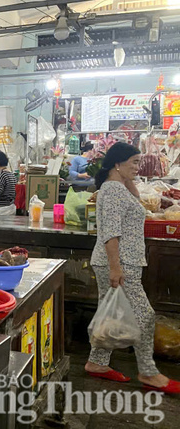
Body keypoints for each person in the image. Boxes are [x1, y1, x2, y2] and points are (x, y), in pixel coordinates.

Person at [85, 142, 179, 393]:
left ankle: (97, 362)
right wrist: (116, 268)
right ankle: (149, 372)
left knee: (109, 311)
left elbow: (137, 202)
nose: (139, 167)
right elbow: (110, 233)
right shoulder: (114, 191)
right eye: (134, 162)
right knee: (145, 316)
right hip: (119, 262)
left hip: (120, 260)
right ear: (117, 163)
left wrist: (126, 178)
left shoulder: (117, 187)